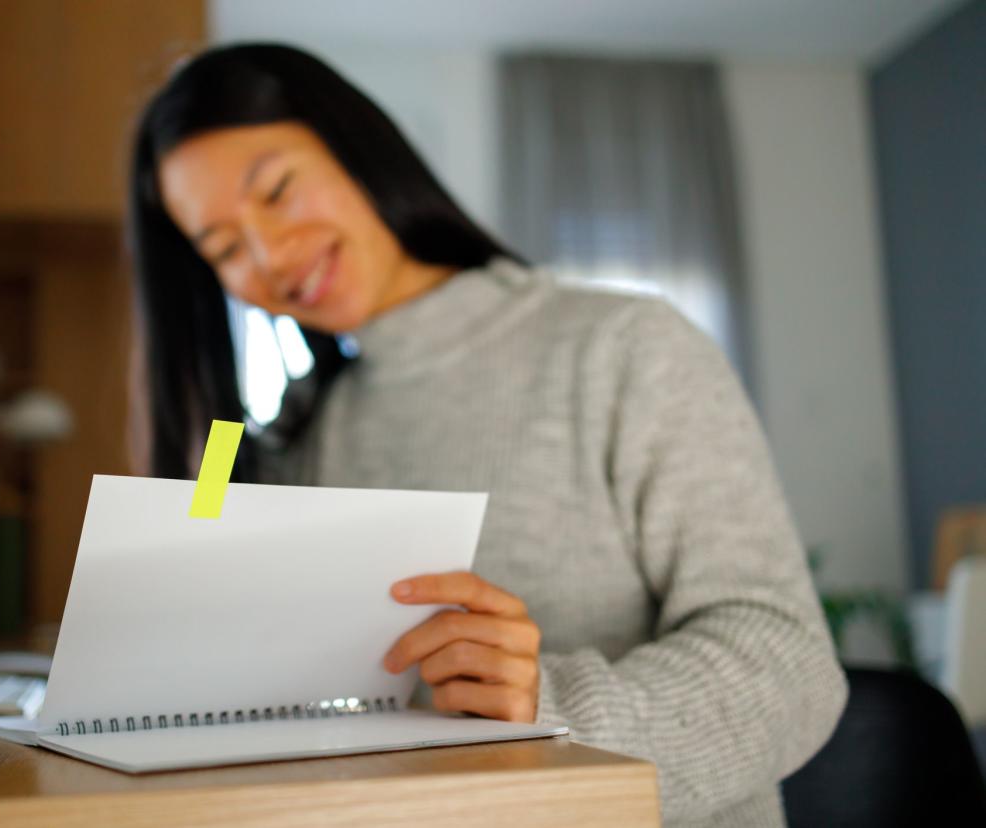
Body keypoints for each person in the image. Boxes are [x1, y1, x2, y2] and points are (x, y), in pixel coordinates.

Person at [127, 43, 847, 827]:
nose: (270, 256)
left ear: (357, 148)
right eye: (224, 249)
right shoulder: (299, 424)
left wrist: (550, 705)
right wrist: (206, 439)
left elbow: (791, 666)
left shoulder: (627, 347)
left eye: (277, 190)